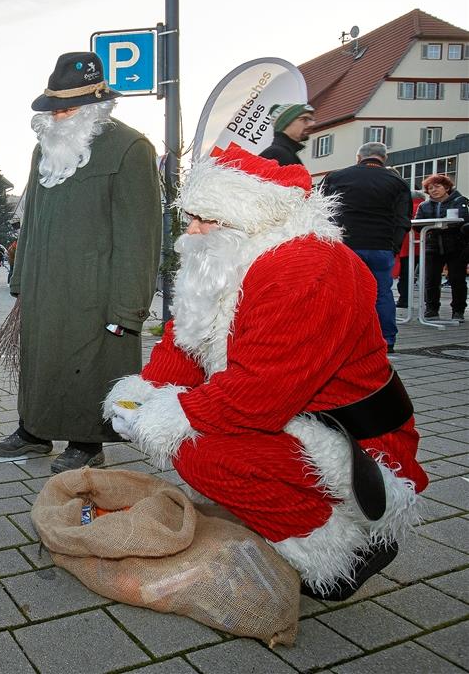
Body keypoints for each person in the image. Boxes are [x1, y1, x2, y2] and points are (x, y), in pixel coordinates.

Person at [106, 144, 428, 602]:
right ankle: (291, 526)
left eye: (207, 219)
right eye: (191, 217)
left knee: (203, 452)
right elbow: (184, 340)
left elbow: (257, 395)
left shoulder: (307, 269)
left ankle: (343, 549)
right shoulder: (228, 257)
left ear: (253, 217)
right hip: (291, 413)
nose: (192, 233)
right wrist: (143, 395)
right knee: (192, 437)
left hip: (360, 443)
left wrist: (162, 417)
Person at [0, 51, 161, 473]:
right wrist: (21, 278)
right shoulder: (43, 148)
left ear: (95, 106)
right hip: (45, 285)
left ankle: (87, 442)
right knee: (41, 361)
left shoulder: (130, 148)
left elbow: (140, 235)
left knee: (91, 364)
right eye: (54, 109)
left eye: (68, 109)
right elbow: (31, 220)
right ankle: (34, 431)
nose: (59, 117)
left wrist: (128, 306)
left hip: (97, 289)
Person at [320, 142, 411, 352]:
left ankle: (340, 341)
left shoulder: (337, 176)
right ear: (384, 159)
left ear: (359, 158)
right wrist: (393, 247)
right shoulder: (397, 182)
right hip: (381, 246)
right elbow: (403, 219)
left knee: (343, 293)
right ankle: (386, 341)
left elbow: (322, 209)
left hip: (345, 244)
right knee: (382, 294)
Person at [414, 174, 468, 320]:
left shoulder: (459, 201)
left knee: (457, 279)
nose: (433, 190)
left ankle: (458, 310)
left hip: (456, 246)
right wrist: (439, 226)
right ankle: (431, 309)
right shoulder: (424, 206)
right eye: (430, 188)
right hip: (433, 246)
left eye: (437, 186)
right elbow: (418, 226)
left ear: (447, 187)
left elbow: (462, 221)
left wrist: (434, 227)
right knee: (431, 279)